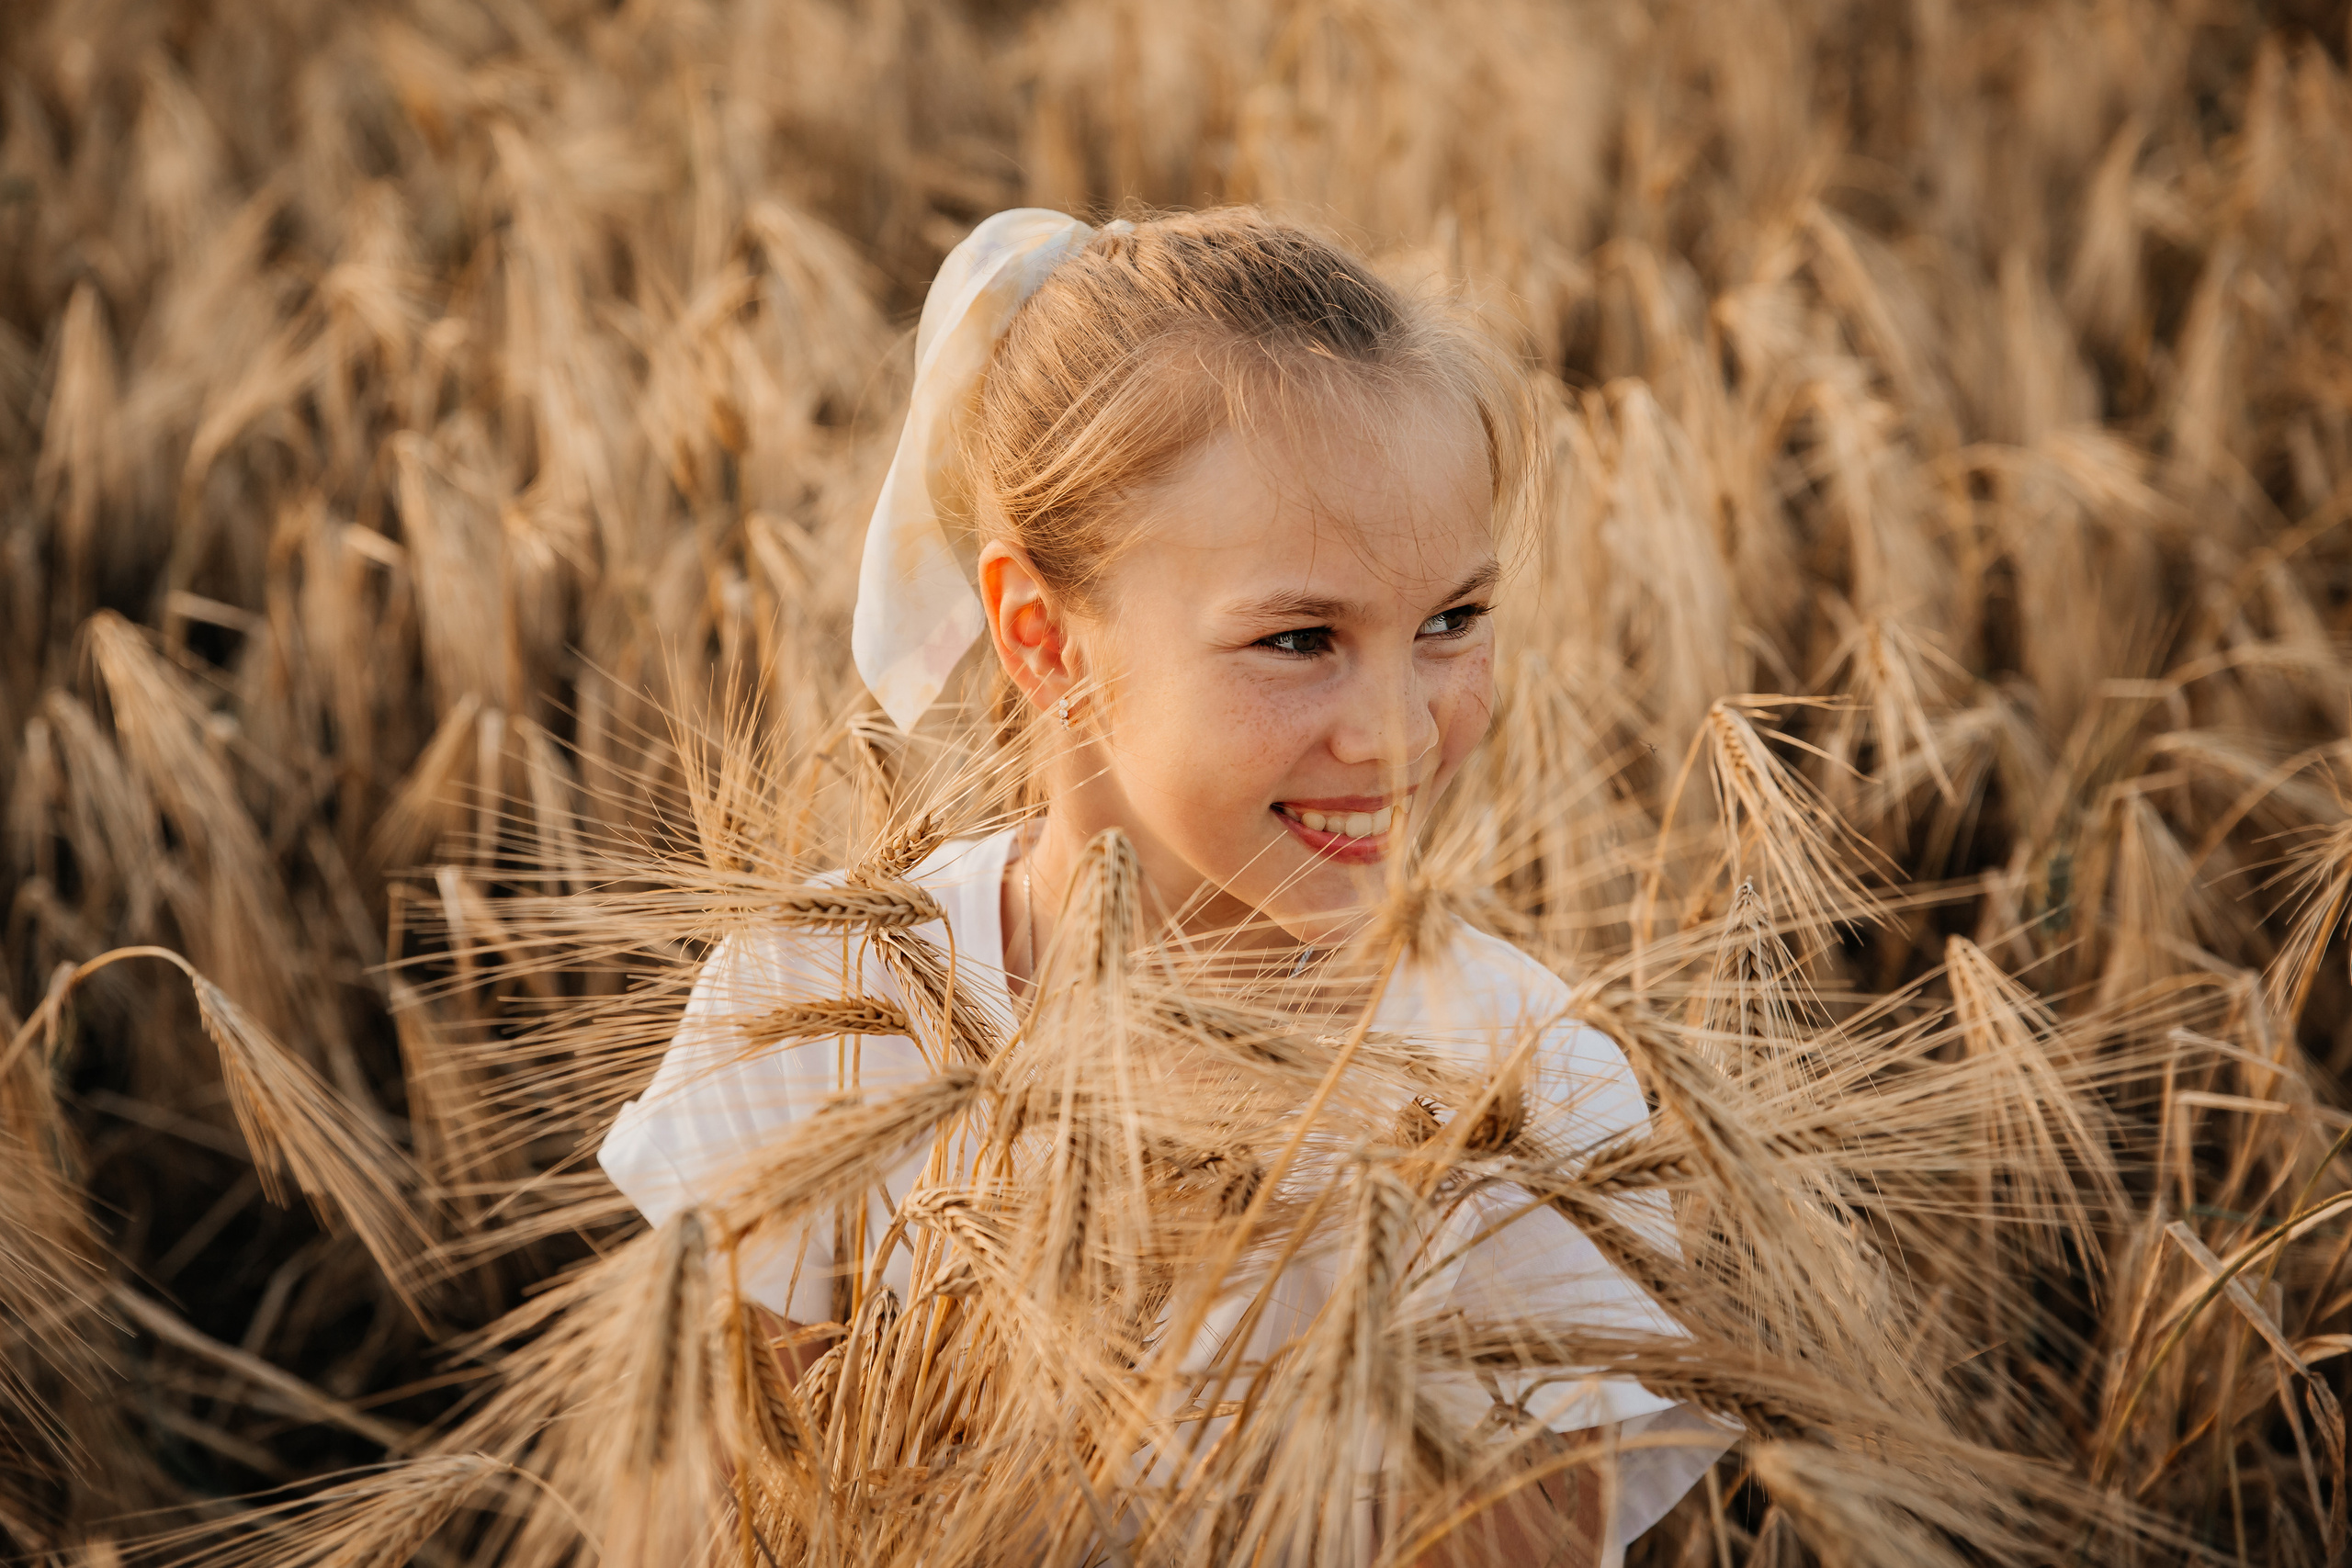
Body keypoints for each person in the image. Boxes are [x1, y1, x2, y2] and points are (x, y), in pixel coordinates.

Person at [599, 208, 1732, 1563]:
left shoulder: (1529, 1091)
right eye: (1300, 638)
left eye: (1452, 622)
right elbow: (716, 1515)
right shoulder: (819, 1006)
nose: (1399, 731)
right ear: (1042, 636)